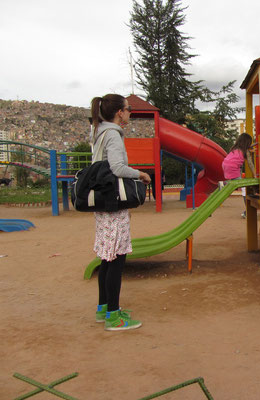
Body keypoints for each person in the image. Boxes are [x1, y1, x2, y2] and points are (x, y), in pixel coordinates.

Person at [91, 94, 151, 331]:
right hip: (113, 202)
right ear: (119, 112)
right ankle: (114, 317)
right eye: (128, 109)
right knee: (117, 258)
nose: (129, 113)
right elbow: (116, 167)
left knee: (107, 256)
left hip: (103, 202)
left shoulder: (98, 131)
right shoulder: (113, 134)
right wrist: (141, 174)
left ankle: (104, 309)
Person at [221, 133, 256, 217]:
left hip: (225, 164)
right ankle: (247, 211)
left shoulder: (235, 148)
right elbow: (250, 164)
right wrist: (254, 174)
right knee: (243, 187)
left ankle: (224, 183)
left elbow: (246, 150)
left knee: (234, 182)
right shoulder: (245, 151)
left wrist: (251, 148)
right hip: (233, 167)